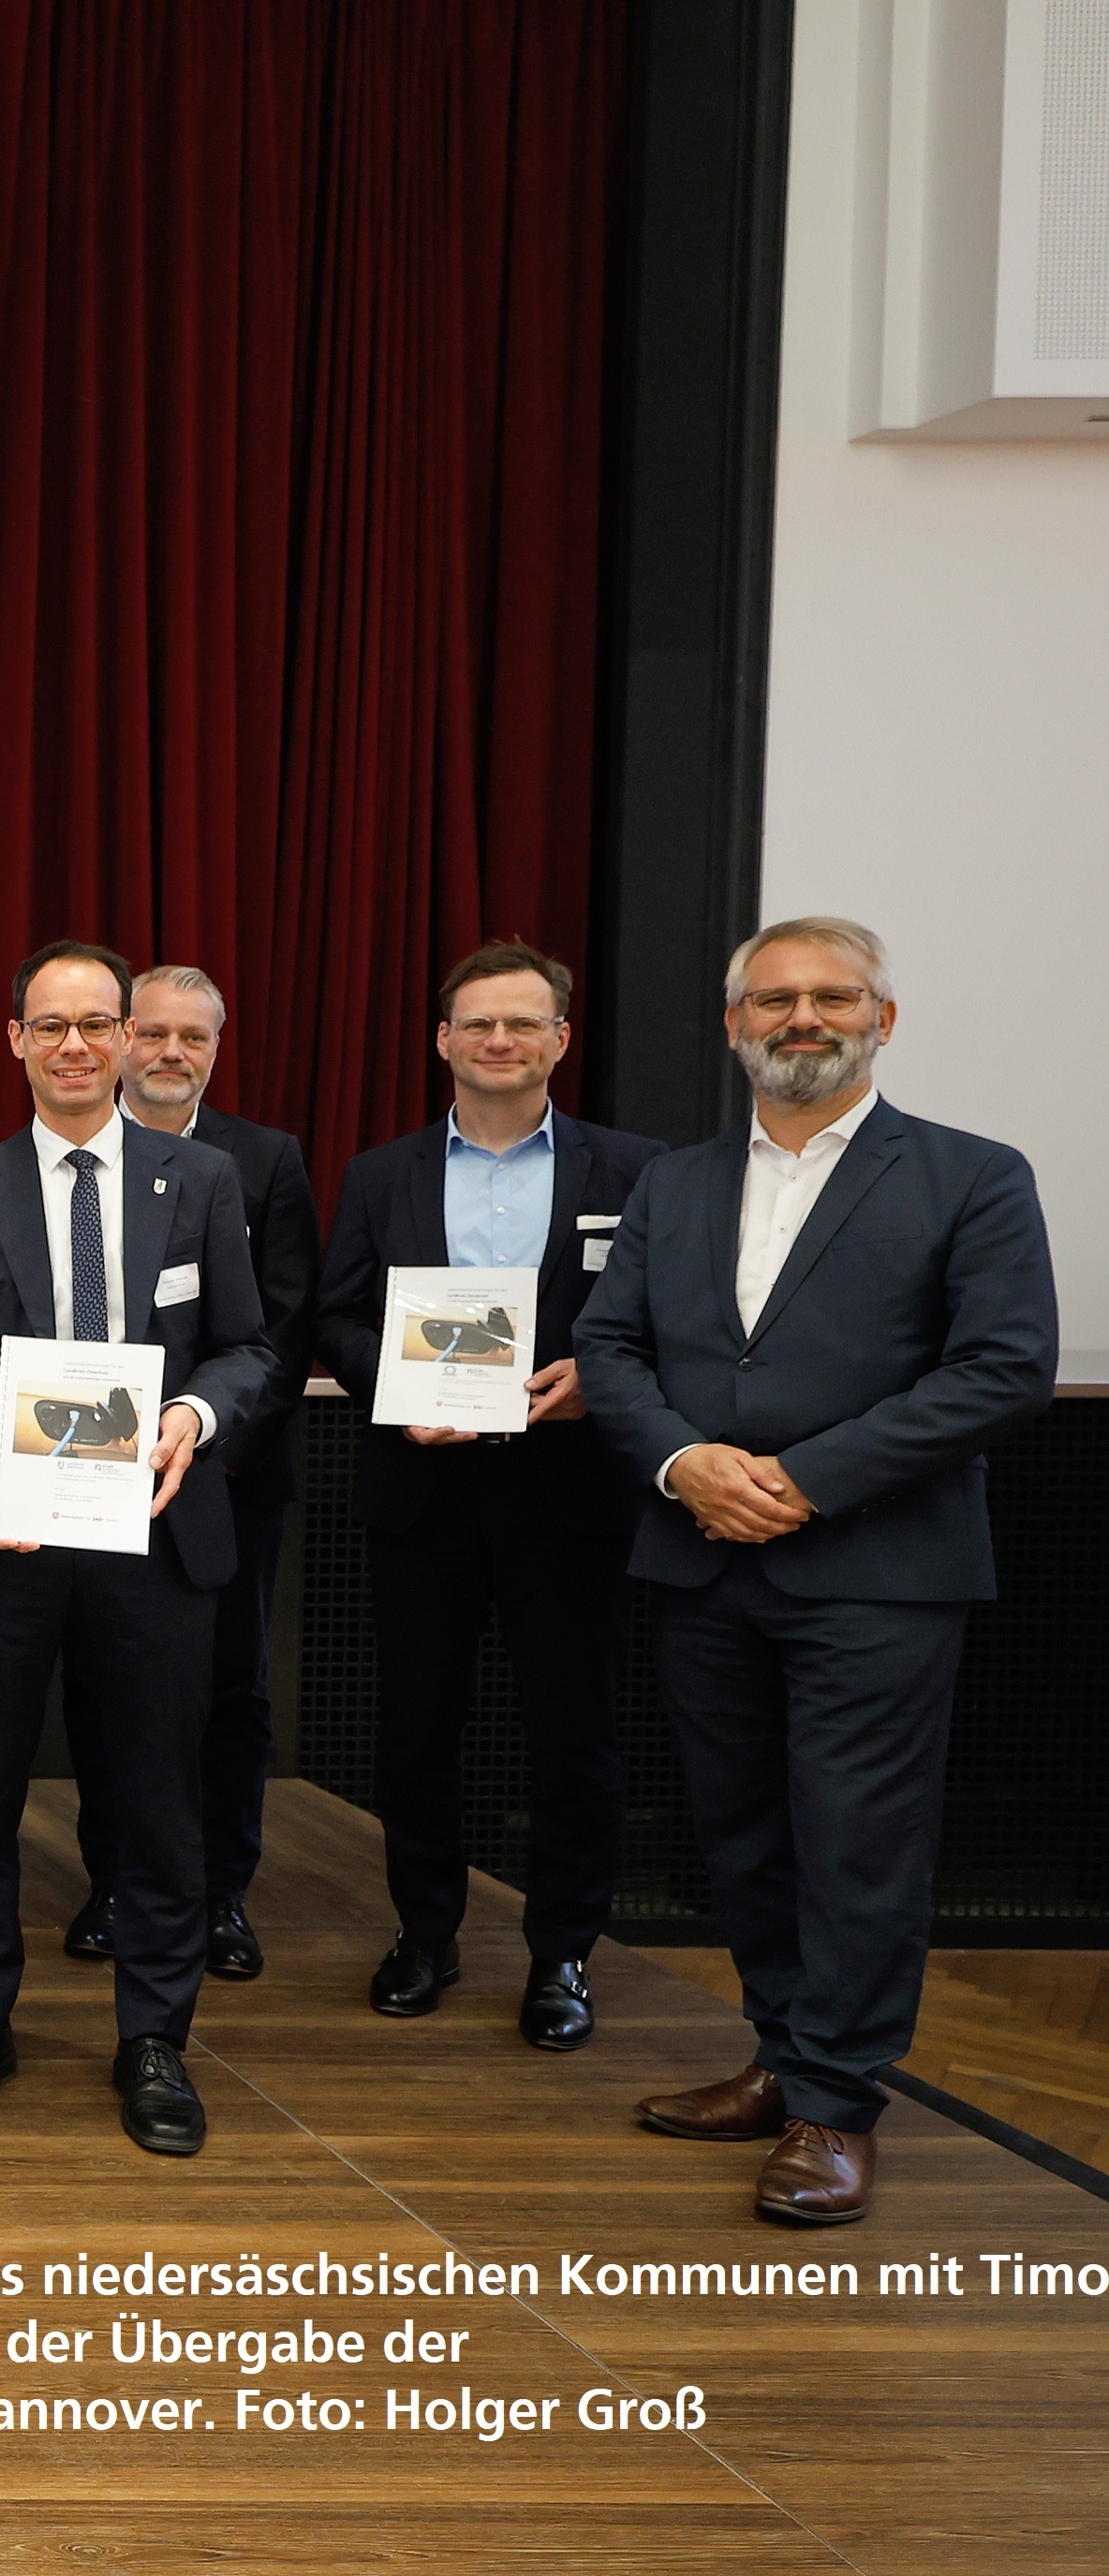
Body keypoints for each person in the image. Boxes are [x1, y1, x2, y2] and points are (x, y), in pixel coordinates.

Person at [580, 916, 1056, 2226]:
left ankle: (838, 2104)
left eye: (833, 997)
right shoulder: (676, 1183)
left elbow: (1004, 1367)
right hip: (701, 1558)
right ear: (734, 1024)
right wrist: (686, 1463)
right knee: (740, 1833)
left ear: (881, 1019)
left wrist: (803, 1478)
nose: (803, 1019)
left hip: (877, 1569)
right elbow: (609, 1348)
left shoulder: (971, 1175)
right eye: (775, 999)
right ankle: (783, 2059)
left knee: (857, 1843)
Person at [0, 940, 274, 2158]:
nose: (74, 1045)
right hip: (2, 1532)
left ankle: (154, 2036)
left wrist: (195, 1413)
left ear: (125, 1037)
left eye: (96, 1024)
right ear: (13, 1039)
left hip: (153, 1536)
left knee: (159, 1798)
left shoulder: (202, 1178)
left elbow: (248, 1345)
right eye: (49, 1025)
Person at [316, 941, 659, 2050]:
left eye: (521, 1023)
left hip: (572, 1495)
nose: (497, 1040)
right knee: (416, 1731)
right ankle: (424, 1935)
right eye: (477, 1023)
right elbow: (333, 1317)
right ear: (442, 1041)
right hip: (424, 1490)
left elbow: (669, 1319)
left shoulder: (637, 1171)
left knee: (573, 1736)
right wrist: (397, 1382)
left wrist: (595, 1381)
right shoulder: (381, 1174)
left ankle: (562, 1952)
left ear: (559, 1039)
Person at [59, 964, 319, 1984]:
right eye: (154, 1033)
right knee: (101, 1684)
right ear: (121, 1039)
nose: (172, 1052)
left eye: (194, 1037)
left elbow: (281, 1329)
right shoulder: (66, 1150)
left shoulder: (262, 1159)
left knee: (229, 1689)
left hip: (219, 1482)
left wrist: (202, 1450)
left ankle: (219, 1893)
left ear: (217, 1046)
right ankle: (112, 1881)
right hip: (81, 1473)